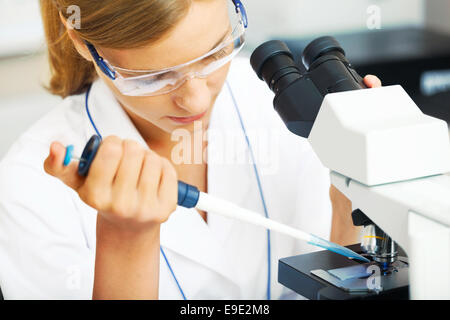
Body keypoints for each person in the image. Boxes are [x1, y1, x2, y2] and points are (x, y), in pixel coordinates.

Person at [0, 0, 381, 299]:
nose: (196, 100)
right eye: (154, 77)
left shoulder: (274, 107)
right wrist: (126, 241)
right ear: (84, 43)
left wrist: (353, 194)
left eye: (214, 53)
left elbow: (350, 276)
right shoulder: (30, 184)